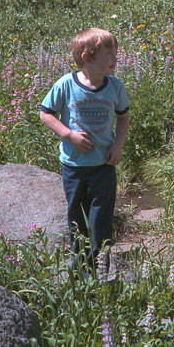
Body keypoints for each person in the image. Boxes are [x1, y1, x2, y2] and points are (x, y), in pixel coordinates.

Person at [39, 28, 129, 273]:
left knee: (101, 222)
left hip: (103, 166)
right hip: (74, 167)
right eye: (108, 54)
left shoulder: (115, 87)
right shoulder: (66, 84)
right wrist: (69, 135)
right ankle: (80, 274)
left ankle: (101, 273)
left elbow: (123, 118)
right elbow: (45, 113)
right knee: (77, 223)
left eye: (116, 53)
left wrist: (118, 146)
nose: (115, 59)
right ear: (87, 57)